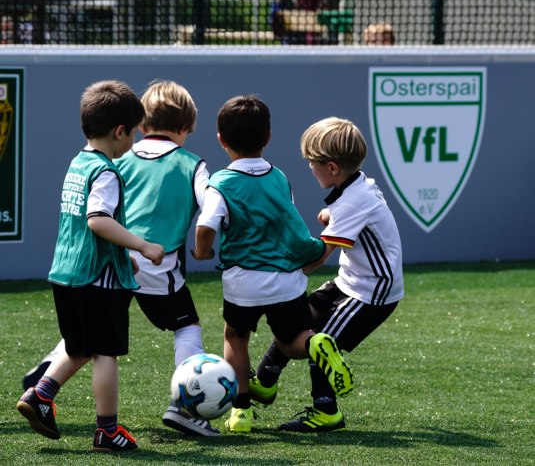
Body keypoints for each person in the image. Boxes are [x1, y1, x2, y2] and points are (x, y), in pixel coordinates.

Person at [22, 80, 220, 437]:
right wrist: (201, 241)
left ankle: (47, 377)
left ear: (143, 126)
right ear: (184, 128)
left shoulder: (107, 158)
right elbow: (210, 205)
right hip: (156, 263)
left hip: (101, 261)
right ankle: (182, 407)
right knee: (181, 326)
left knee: (85, 334)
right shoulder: (190, 164)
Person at [16, 80, 165, 452]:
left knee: (79, 346)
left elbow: (87, 228)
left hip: (66, 271)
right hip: (96, 279)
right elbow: (97, 219)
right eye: (132, 132)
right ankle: (107, 431)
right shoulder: (106, 172)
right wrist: (142, 245)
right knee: (105, 353)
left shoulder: (78, 163)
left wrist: (120, 252)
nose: (132, 138)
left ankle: (40, 396)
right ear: (119, 131)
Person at [191, 95, 355, 433]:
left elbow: (206, 225)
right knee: (291, 340)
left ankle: (241, 412)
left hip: (243, 282)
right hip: (286, 279)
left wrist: (202, 252)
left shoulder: (219, 183)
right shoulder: (279, 177)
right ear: (267, 137)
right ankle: (314, 343)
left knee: (235, 339)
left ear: (221, 140)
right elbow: (287, 223)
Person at [248, 116, 404, 432]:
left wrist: (282, 271)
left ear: (332, 168)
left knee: (323, 342)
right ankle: (265, 382)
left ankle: (327, 411)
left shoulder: (352, 202)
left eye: (312, 162)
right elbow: (349, 210)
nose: (309, 167)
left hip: (372, 292)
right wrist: (329, 213)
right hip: (352, 280)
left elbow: (319, 256)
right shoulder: (357, 185)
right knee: (298, 318)